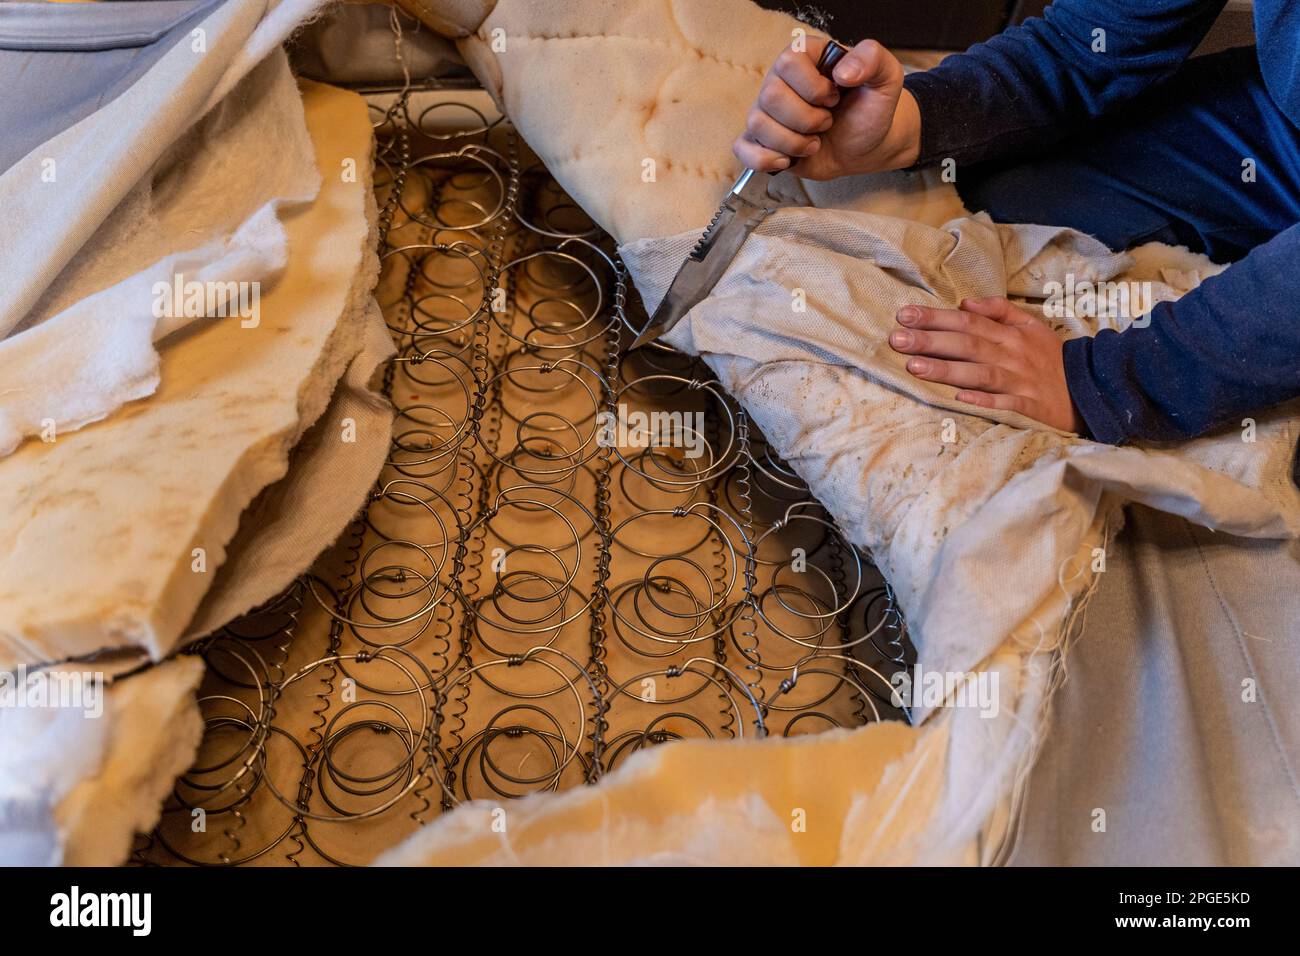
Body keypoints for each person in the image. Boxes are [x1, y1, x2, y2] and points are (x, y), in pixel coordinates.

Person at [734, 0, 1300, 444]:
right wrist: (914, 122)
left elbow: (1118, 383)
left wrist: (1111, 380)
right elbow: (1085, 45)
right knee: (1001, 191)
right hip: (1282, 125)